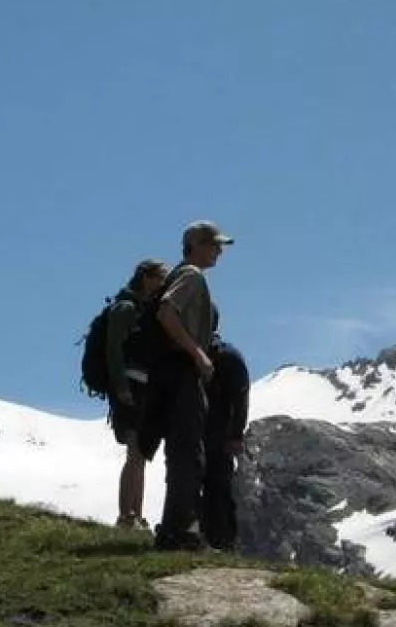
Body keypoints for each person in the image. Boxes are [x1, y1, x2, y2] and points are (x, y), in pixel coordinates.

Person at [151, 220, 233, 550]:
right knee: (188, 453)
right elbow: (166, 313)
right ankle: (180, 532)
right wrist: (198, 354)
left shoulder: (181, 274)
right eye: (214, 245)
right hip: (182, 371)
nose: (219, 252)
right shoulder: (191, 275)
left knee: (181, 451)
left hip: (169, 372)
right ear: (197, 244)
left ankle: (175, 528)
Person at [105, 258, 169, 530]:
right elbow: (113, 349)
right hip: (130, 386)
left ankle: (137, 514)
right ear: (146, 278)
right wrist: (120, 387)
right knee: (134, 452)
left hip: (143, 386)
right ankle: (126, 515)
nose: (163, 284)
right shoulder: (127, 308)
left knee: (140, 453)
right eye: (160, 278)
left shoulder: (143, 309)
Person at [201, 305, 250, 551]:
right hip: (207, 431)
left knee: (216, 486)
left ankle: (220, 542)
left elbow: (240, 399)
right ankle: (212, 540)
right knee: (213, 486)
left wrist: (235, 435)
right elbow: (241, 397)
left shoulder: (226, 357)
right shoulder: (228, 355)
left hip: (217, 433)